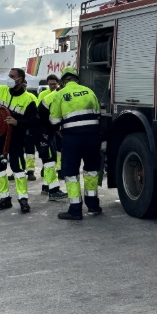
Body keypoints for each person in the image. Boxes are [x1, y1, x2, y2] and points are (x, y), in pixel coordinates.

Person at [48, 66, 101, 220]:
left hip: (72, 139)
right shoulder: (89, 91)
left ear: (63, 81)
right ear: (77, 79)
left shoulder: (60, 94)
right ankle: (93, 205)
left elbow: (54, 121)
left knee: (71, 173)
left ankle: (75, 210)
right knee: (91, 171)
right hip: (92, 138)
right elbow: (98, 114)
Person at [0, 68, 36, 214]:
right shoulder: (1, 89)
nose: (9, 78)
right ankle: (4, 198)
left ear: (20, 79)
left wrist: (17, 122)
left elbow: (33, 121)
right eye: (9, 76)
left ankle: (23, 199)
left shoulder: (29, 99)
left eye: (12, 76)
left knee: (18, 168)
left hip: (16, 139)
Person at [35, 73, 64, 198]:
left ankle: (46, 187)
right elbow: (54, 119)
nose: (52, 86)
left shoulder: (55, 95)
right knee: (49, 161)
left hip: (46, 131)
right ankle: (53, 190)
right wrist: (60, 132)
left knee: (49, 160)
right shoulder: (56, 97)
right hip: (42, 131)